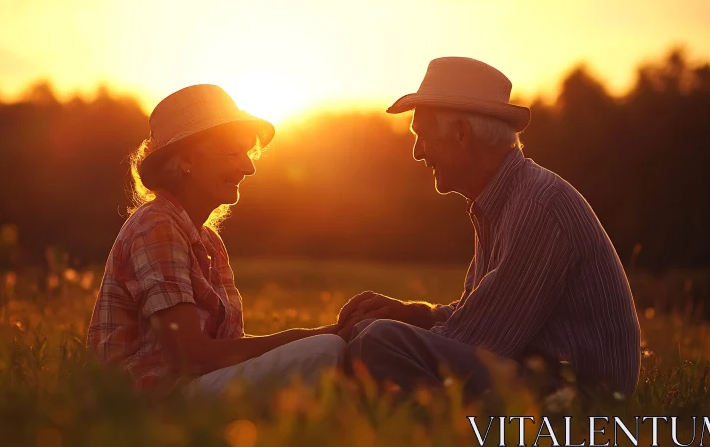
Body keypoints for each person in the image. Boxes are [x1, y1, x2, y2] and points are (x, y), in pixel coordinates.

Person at [338, 57, 642, 402]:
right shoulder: (502, 201)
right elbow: (486, 311)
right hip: (546, 375)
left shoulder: (537, 206)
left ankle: (436, 421)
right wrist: (418, 314)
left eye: (421, 135)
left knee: (377, 342)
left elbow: (480, 340)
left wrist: (389, 331)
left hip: (577, 393)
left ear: (460, 133)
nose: (417, 152)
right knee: (373, 341)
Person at [87, 84, 346, 398]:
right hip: (155, 397)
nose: (248, 167)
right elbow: (191, 356)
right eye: (232, 152)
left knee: (329, 347)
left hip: (191, 383)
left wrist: (323, 334)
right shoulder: (156, 226)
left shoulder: (208, 243)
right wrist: (321, 334)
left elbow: (223, 348)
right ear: (186, 160)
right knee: (324, 351)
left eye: (247, 153)